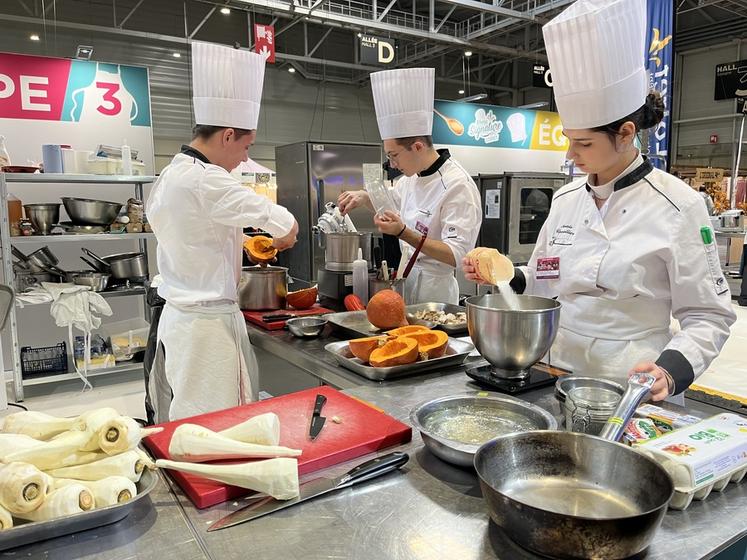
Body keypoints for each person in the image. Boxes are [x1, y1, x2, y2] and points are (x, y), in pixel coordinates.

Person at [463, 0, 736, 403]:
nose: (571, 155)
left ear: (626, 133)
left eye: (584, 143)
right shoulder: (566, 198)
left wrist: (671, 370)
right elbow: (542, 278)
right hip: (553, 368)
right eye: (569, 140)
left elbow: (709, 314)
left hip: (632, 381)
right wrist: (503, 276)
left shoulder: (680, 205)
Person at [145, 41, 298, 422]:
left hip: (180, 320)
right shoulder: (209, 180)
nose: (246, 157)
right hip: (208, 329)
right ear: (227, 135)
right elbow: (285, 223)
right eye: (246, 145)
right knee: (220, 426)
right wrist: (280, 239)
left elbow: (191, 234)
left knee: (191, 420)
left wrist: (242, 242)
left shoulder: (171, 173)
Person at [338, 68, 482, 305]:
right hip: (407, 280)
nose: (392, 164)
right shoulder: (411, 179)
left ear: (417, 147)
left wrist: (404, 233)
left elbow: (456, 255)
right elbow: (390, 202)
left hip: (436, 293)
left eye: (394, 156)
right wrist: (364, 196)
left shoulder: (458, 185)